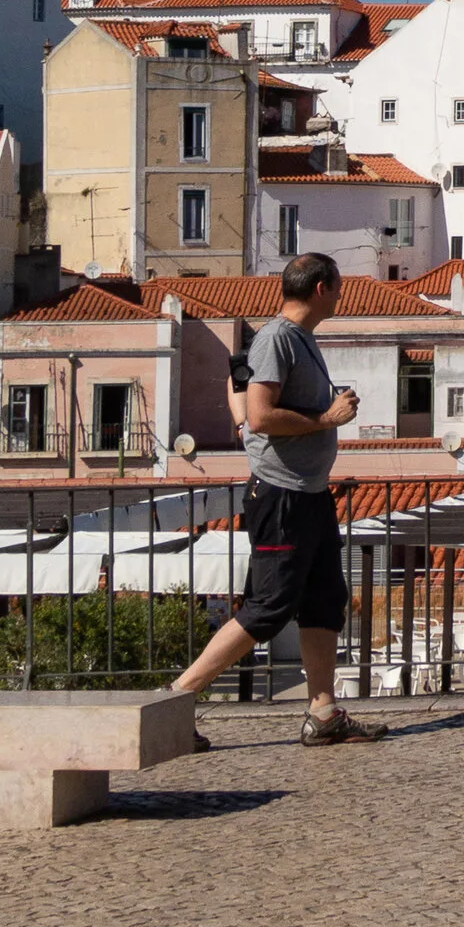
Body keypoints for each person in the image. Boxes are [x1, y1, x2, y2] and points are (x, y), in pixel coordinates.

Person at [166, 252, 382, 747]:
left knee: (325, 600)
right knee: (268, 608)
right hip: (281, 497)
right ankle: (175, 700)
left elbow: (240, 391)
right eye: (340, 286)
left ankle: (323, 712)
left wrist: (256, 422)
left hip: (308, 494)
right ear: (323, 288)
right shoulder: (278, 338)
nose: (343, 295)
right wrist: (327, 419)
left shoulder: (295, 339)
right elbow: (262, 416)